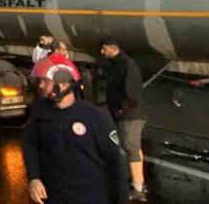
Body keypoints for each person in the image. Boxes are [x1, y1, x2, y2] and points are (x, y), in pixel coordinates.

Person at [22, 57, 128, 204]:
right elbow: (30, 144)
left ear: (64, 84)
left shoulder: (96, 117)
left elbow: (116, 163)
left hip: (91, 197)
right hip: (54, 196)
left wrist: (121, 200)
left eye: (44, 81)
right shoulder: (38, 112)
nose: (40, 85)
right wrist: (34, 178)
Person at [100, 36, 147, 202]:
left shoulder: (127, 65)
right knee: (134, 147)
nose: (102, 52)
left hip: (130, 115)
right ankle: (139, 181)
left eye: (104, 49)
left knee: (130, 147)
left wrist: (121, 109)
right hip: (126, 114)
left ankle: (138, 189)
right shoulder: (118, 64)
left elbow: (132, 94)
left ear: (113, 48)